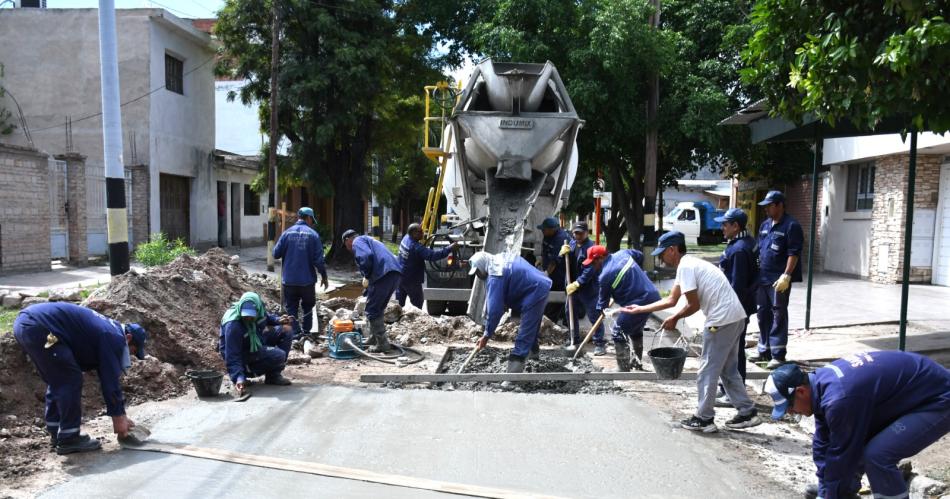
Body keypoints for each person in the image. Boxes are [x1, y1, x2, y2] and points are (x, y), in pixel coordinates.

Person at [623, 231, 762, 432]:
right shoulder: (688, 265)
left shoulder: (687, 267)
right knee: (727, 369)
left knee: (707, 370)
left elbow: (693, 305)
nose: (661, 258)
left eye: (663, 253)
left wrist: (674, 318)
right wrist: (640, 309)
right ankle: (747, 412)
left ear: (673, 250)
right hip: (735, 317)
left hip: (721, 321)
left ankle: (704, 418)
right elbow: (671, 300)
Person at [766, 351, 950, 499]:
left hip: (939, 399)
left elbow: (842, 453)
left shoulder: (839, 399)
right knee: (852, 448)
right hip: (909, 396)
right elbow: (823, 444)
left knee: (877, 455)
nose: (790, 412)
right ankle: (844, 492)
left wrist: (830, 493)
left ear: (801, 391)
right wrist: (826, 491)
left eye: (789, 406)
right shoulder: (821, 384)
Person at [13, 302, 148, 454]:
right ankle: (69, 438)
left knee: (59, 378)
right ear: (128, 338)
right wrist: (119, 418)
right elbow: (110, 381)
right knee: (70, 379)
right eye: (132, 350)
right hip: (41, 327)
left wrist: (122, 415)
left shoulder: (108, 329)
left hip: (27, 324)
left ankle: (57, 431)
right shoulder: (115, 338)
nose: (129, 355)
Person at [471, 251, 552, 374]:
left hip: (535, 290)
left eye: (478, 271)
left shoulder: (495, 274)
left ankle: (513, 374)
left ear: (483, 265)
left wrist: (487, 335)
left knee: (525, 331)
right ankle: (533, 354)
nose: (478, 275)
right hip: (538, 284)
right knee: (532, 326)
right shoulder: (499, 259)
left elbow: (495, 311)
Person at [584, 245, 660, 371]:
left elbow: (602, 304)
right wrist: (635, 273)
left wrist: (601, 311)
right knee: (635, 330)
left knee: (618, 331)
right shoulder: (623, 253)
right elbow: (639, 255)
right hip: (652, 296)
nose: (593, 266)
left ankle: (623, 369)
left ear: (601, 258)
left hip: (638, 301)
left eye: (593, 262)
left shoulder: (605, 276)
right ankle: (636, 363)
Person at [753, 190, 804, 369]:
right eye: (765, 206)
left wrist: (787, 275)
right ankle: (763, 350)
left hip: (778, 280)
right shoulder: (765, 225)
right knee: (762, 314)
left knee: (778, 315)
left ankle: (778, 354)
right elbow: (759, 249)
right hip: (763, 278)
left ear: (780, 205)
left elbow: (794, 253)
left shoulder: (791, 226)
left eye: (769, 205)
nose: (766, 209)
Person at [713, 208, 758, 407]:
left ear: (735, 226)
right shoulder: (745, 243)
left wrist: (724, 312)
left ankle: (732, 393)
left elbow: (737, 286)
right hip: (741, 307)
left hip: (735, 309)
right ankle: (731, 390)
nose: (722, 227)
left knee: (733, 351)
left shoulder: (739, 249)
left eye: (725, 224)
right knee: (734, 350)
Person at [219, 292, 294, 396]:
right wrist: (238, 378)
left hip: (255, 339)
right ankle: (244, 373)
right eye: (245, 315)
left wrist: (278, 320)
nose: (248, 318)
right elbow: (232, 355)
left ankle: (273, 376)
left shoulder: (260, 309)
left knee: (286, 330)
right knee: (279, 355)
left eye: (251, 315)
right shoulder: (233, 325)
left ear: (258, 310)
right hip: (243, 352)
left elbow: (266, 317)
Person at [273, 207, 329, 338]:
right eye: (312, 220)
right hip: (307, 280)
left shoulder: (286, 233)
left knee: (291, 307)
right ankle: (307, 333)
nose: (312, 223)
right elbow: (319, 261)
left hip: (289, 280)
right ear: (308, 218)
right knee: (308, 306)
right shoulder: (313, 235)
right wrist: (324, 276)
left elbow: (276, 254)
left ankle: (296, 334)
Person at [343, 229, 402, 352]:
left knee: (372, 309)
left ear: (348, 240)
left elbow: (366, 256)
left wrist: (367, 275)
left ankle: (382, 344)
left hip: (383, 274)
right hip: (393, 274)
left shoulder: (357, 241)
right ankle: (373, 338)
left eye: (345, 244)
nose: (348, 248)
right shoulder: (369, 240)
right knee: (376, 308)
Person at [561, 222, 606, 354]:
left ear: (586, 232)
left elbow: (590, 270)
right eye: (575, 233)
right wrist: (562, 255)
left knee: (594, 314)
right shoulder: (572, 244)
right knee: (570, 312)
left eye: (580, 233)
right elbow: (565, 264)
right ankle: (573, 339)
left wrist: (578, 283)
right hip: (571, 286)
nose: (578, 235)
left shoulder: (591, 248)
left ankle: (599, 343)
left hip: (588, 288)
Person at [395, 223, 457, 309]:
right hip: (411, 280)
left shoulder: (405, 238)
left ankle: (395, 320)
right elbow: (433, 256)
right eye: (420, 232)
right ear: (413, 233)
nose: (423, 233)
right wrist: (449, 248)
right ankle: (416, 322)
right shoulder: (416, 247)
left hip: (400, 276)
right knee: (417, 305)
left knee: (398, 305)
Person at [537, 217, 569, 323]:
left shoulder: (560, 239)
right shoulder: (548, 235)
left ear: (552, 229)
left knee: (554, 301)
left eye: (544, 229)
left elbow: (554, 262)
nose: (542, 231)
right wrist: (541, 261)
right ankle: (551, 319)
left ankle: (551, 322)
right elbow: (545, 251)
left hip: (559, 274)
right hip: (550, 272)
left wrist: (546, 274)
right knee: (549, 301)